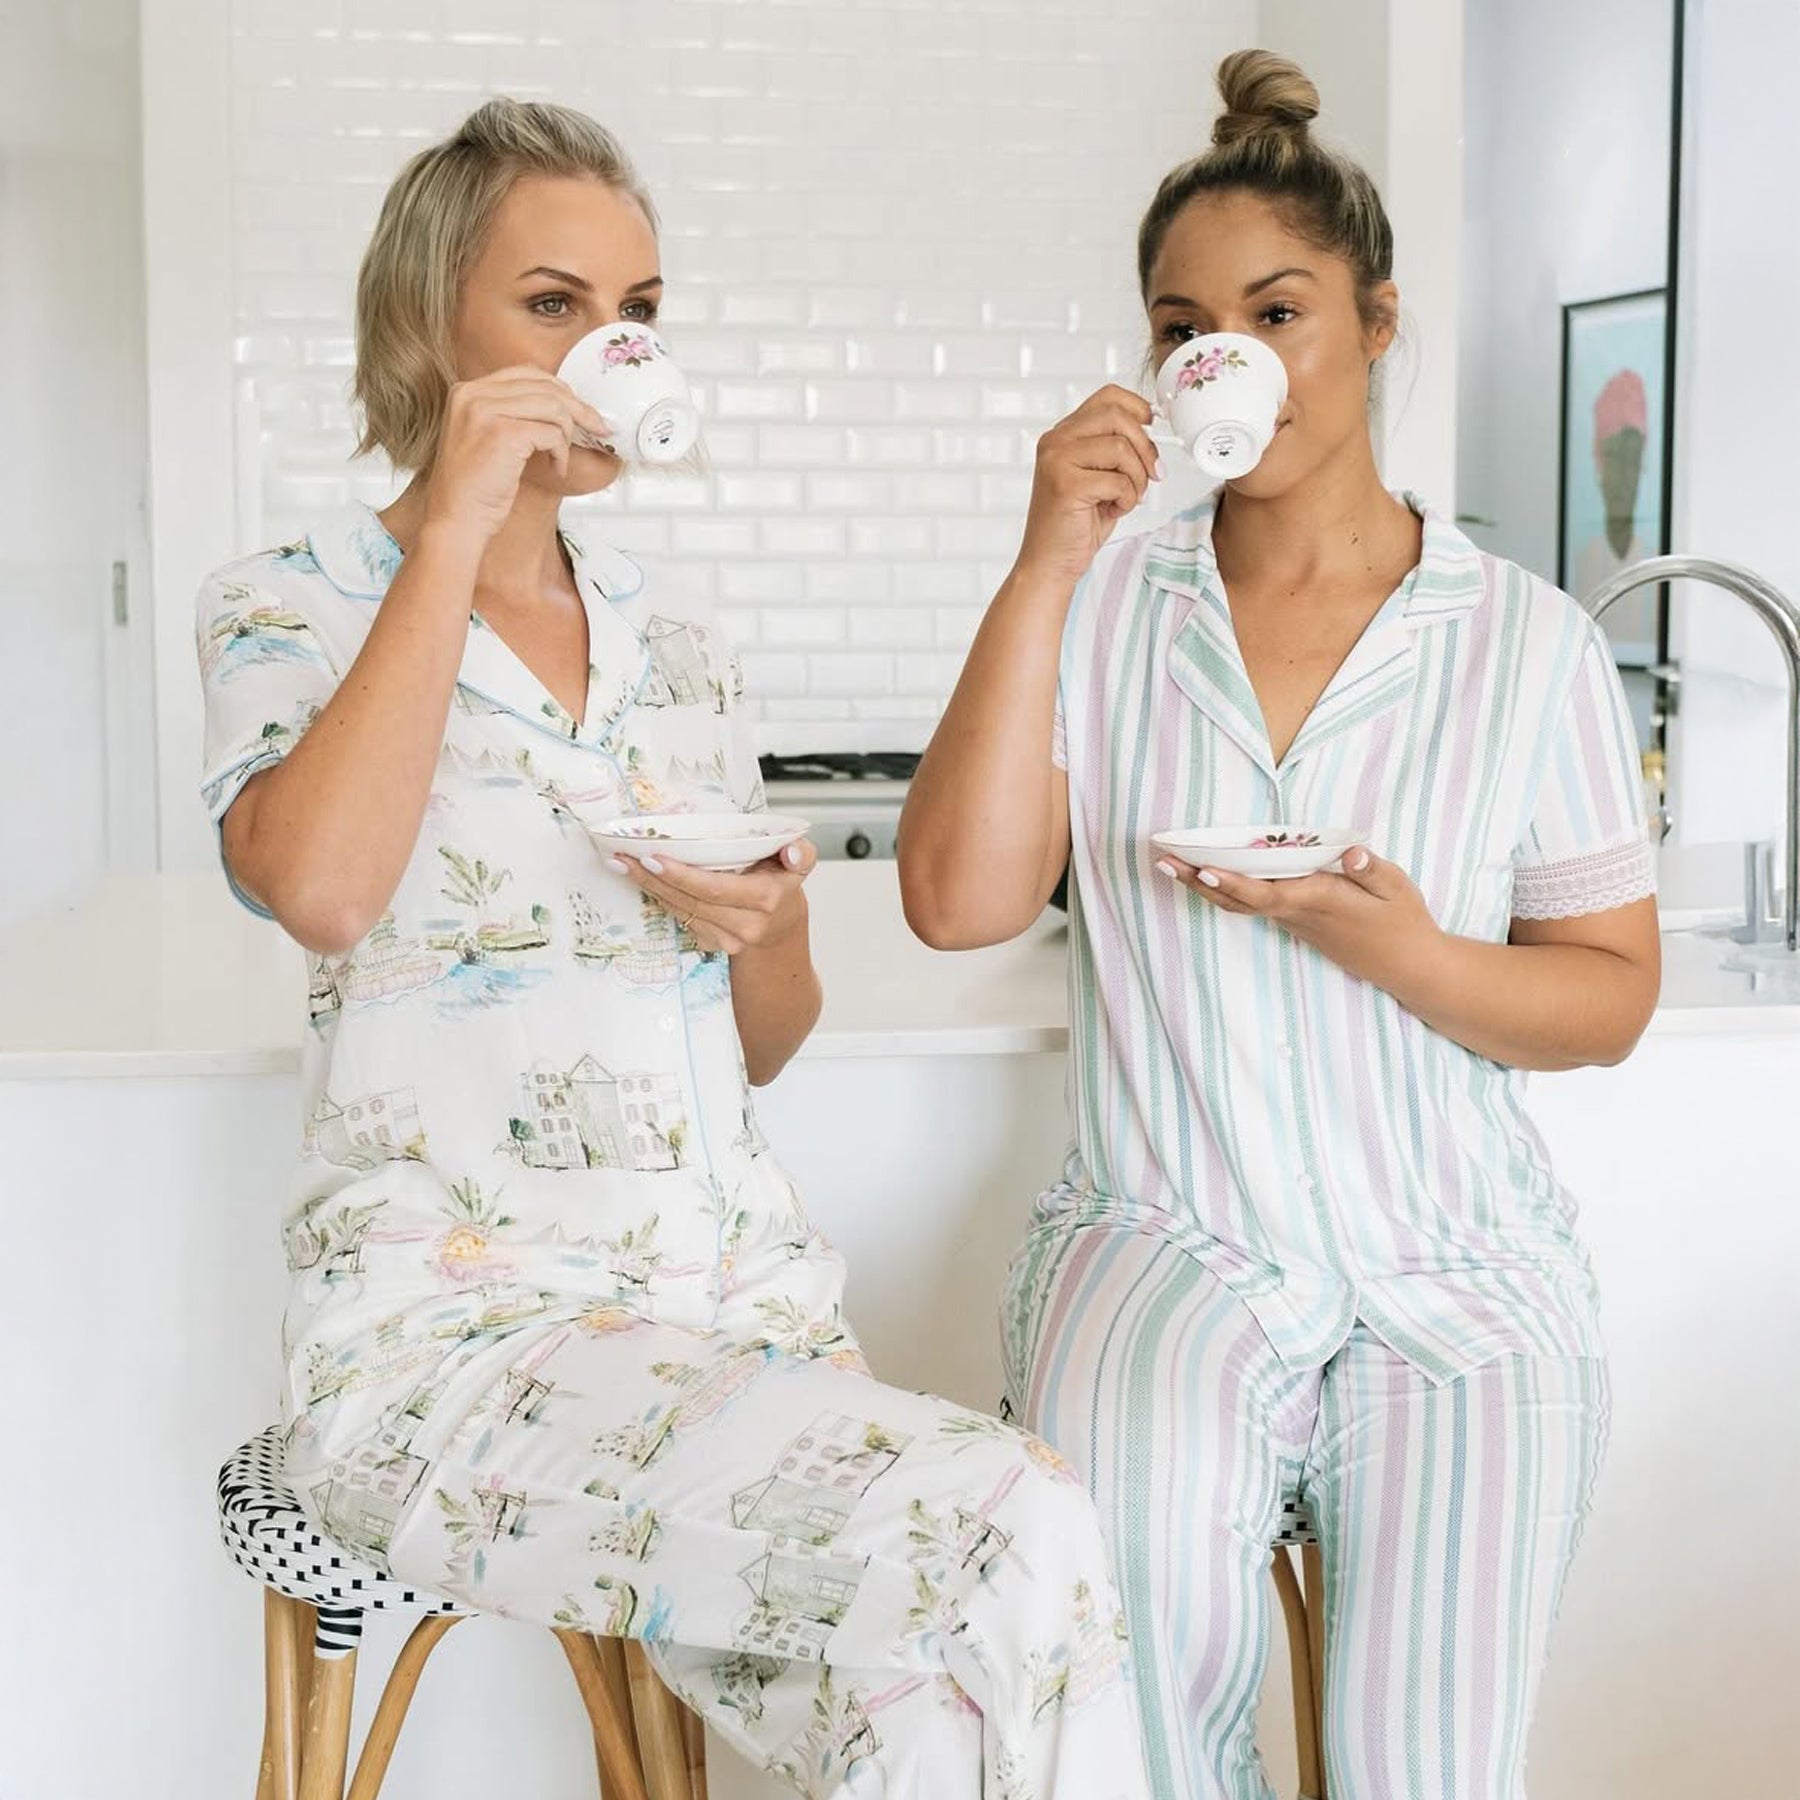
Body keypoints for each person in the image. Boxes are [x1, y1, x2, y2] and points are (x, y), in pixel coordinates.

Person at [196, 96, 1149, 1800]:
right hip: (456, 1364)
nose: (611, 346)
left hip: (737, 1338)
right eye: (555, 303)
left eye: (638, 311)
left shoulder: (680, 649)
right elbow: (318, 890)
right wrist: (460, 529)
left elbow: (767, 1033)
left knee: (949, 1718)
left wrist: (765, 922)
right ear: (432, 325)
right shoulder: (295, 599)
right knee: (1022, 1512)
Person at [899, 49, 1660, 1800]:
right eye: (1182, 326)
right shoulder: (1097, 609)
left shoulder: (1524, 639)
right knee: (1137, 1734)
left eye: (1277, 310)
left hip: (1462, 1271)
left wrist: (1387, 940)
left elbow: (1608, 996)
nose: (1219, 358)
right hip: (1172, 1244)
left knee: (1427, 1768)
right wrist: (1041, 561)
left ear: (1377, 323)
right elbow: (955, 903)